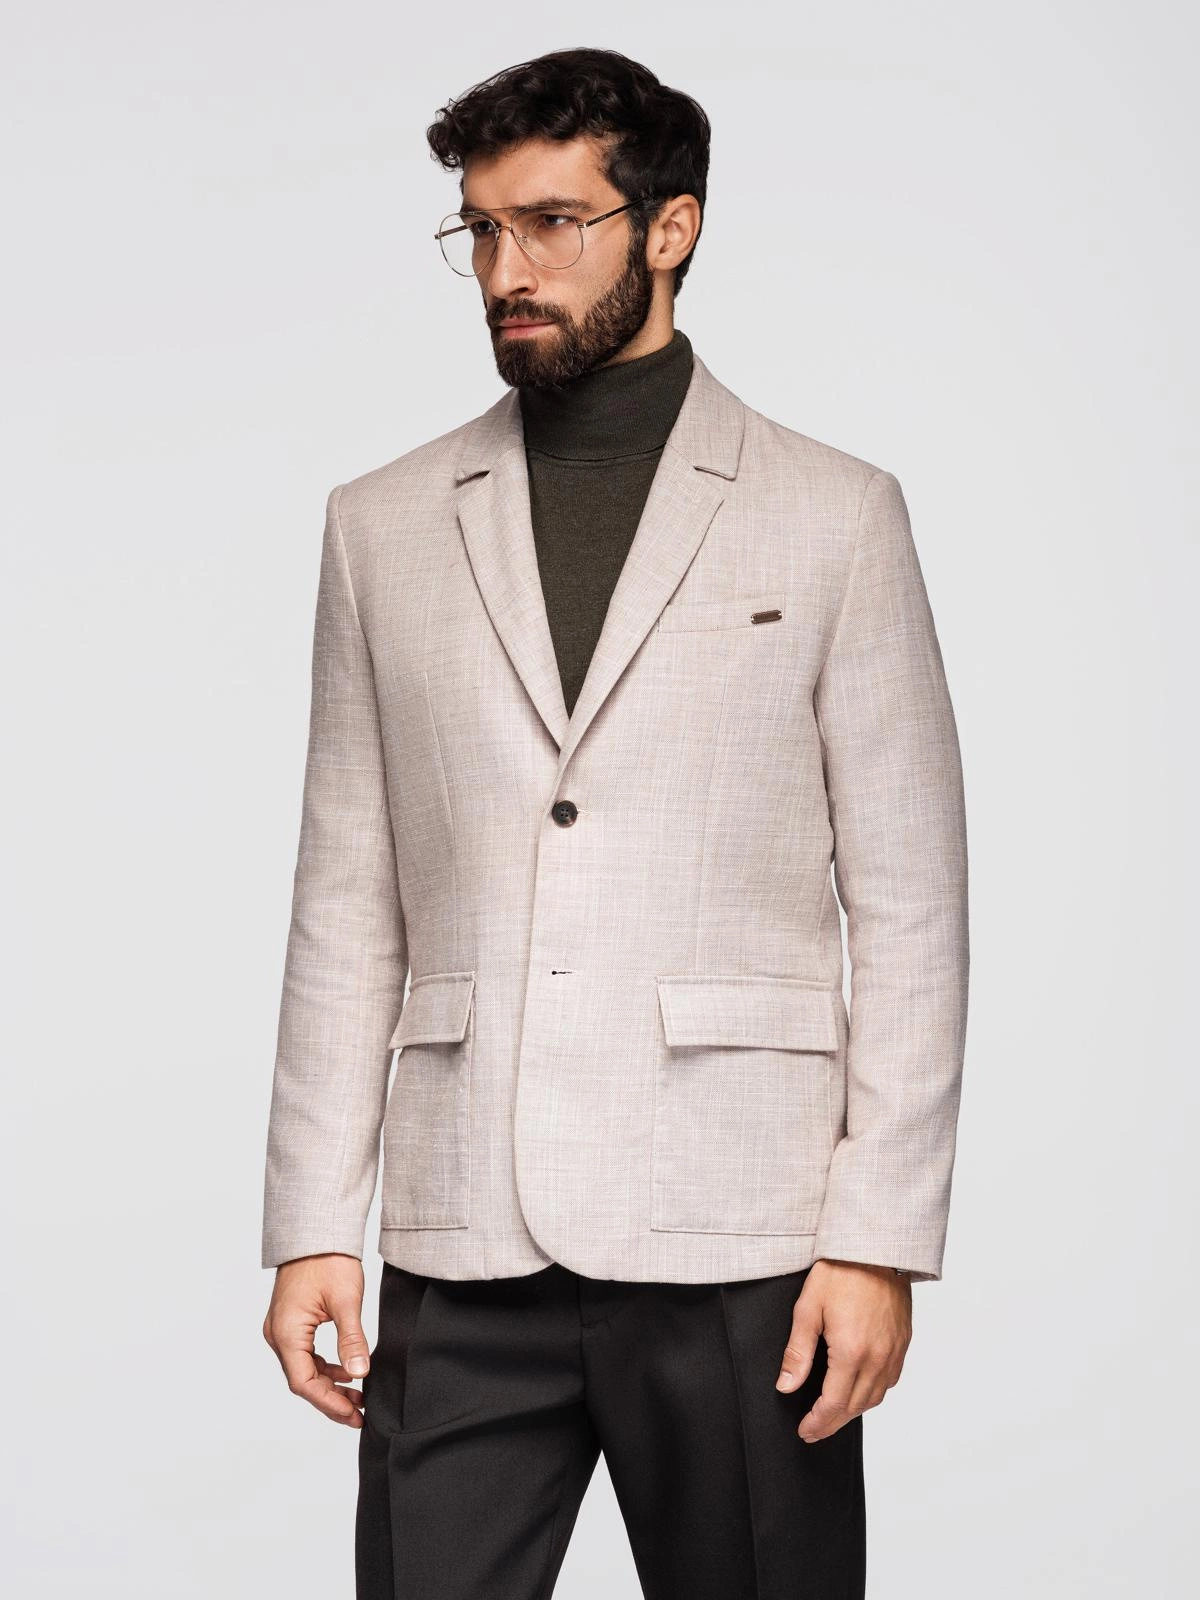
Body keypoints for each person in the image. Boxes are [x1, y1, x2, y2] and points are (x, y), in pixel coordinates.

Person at [260, 46, 970, 1600]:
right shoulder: (380, 525)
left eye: (552, 223)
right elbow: (346, 896)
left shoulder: (836, 514)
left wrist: (877, 1239)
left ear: (670, 228)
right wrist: (311, 1222)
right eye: (481, 230)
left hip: (743, 1235)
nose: (508, 270)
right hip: (461, 1234)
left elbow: (912, 901)